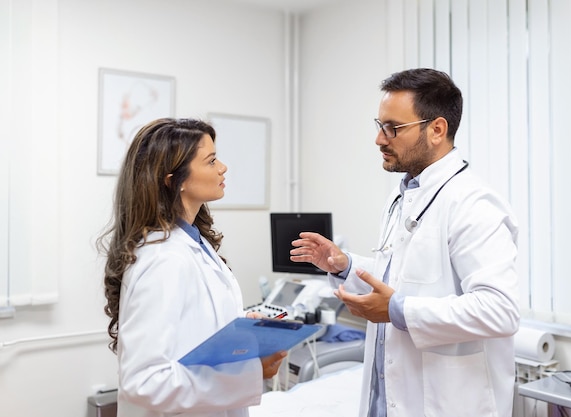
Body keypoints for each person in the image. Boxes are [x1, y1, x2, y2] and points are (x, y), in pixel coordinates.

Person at [290, 68, 520, 417]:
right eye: (379, 126)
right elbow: (401, 281)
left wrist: (398, 310)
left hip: (450, 403)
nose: (379, 140)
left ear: (437, 129)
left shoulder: (473, 204)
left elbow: (499, 311)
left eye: (393, 128)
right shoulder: (402, 198)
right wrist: (345, 265)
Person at [98, 118, 286, 417]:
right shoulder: (163, 259)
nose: (223, 167)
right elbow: (144, 381)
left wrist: (238, 324)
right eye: (211, 161)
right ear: (175, 180)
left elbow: (191, 327)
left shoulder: (192, 243)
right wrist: (248, 373)